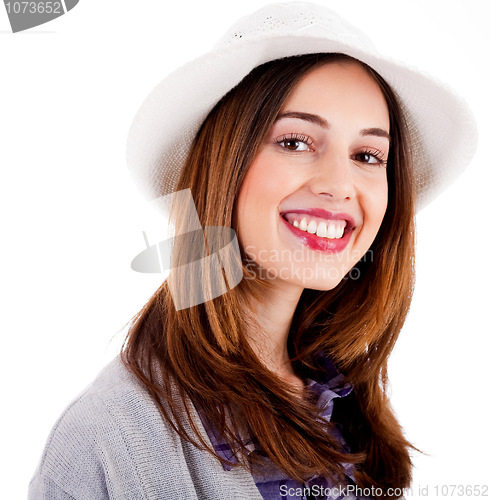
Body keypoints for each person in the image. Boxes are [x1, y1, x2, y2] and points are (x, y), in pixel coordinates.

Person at [28, 2, 477, 499]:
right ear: (223, 164)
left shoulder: (344, 400)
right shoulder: (108, 435)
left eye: (368, 155)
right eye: (296, 142)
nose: (340, 185)